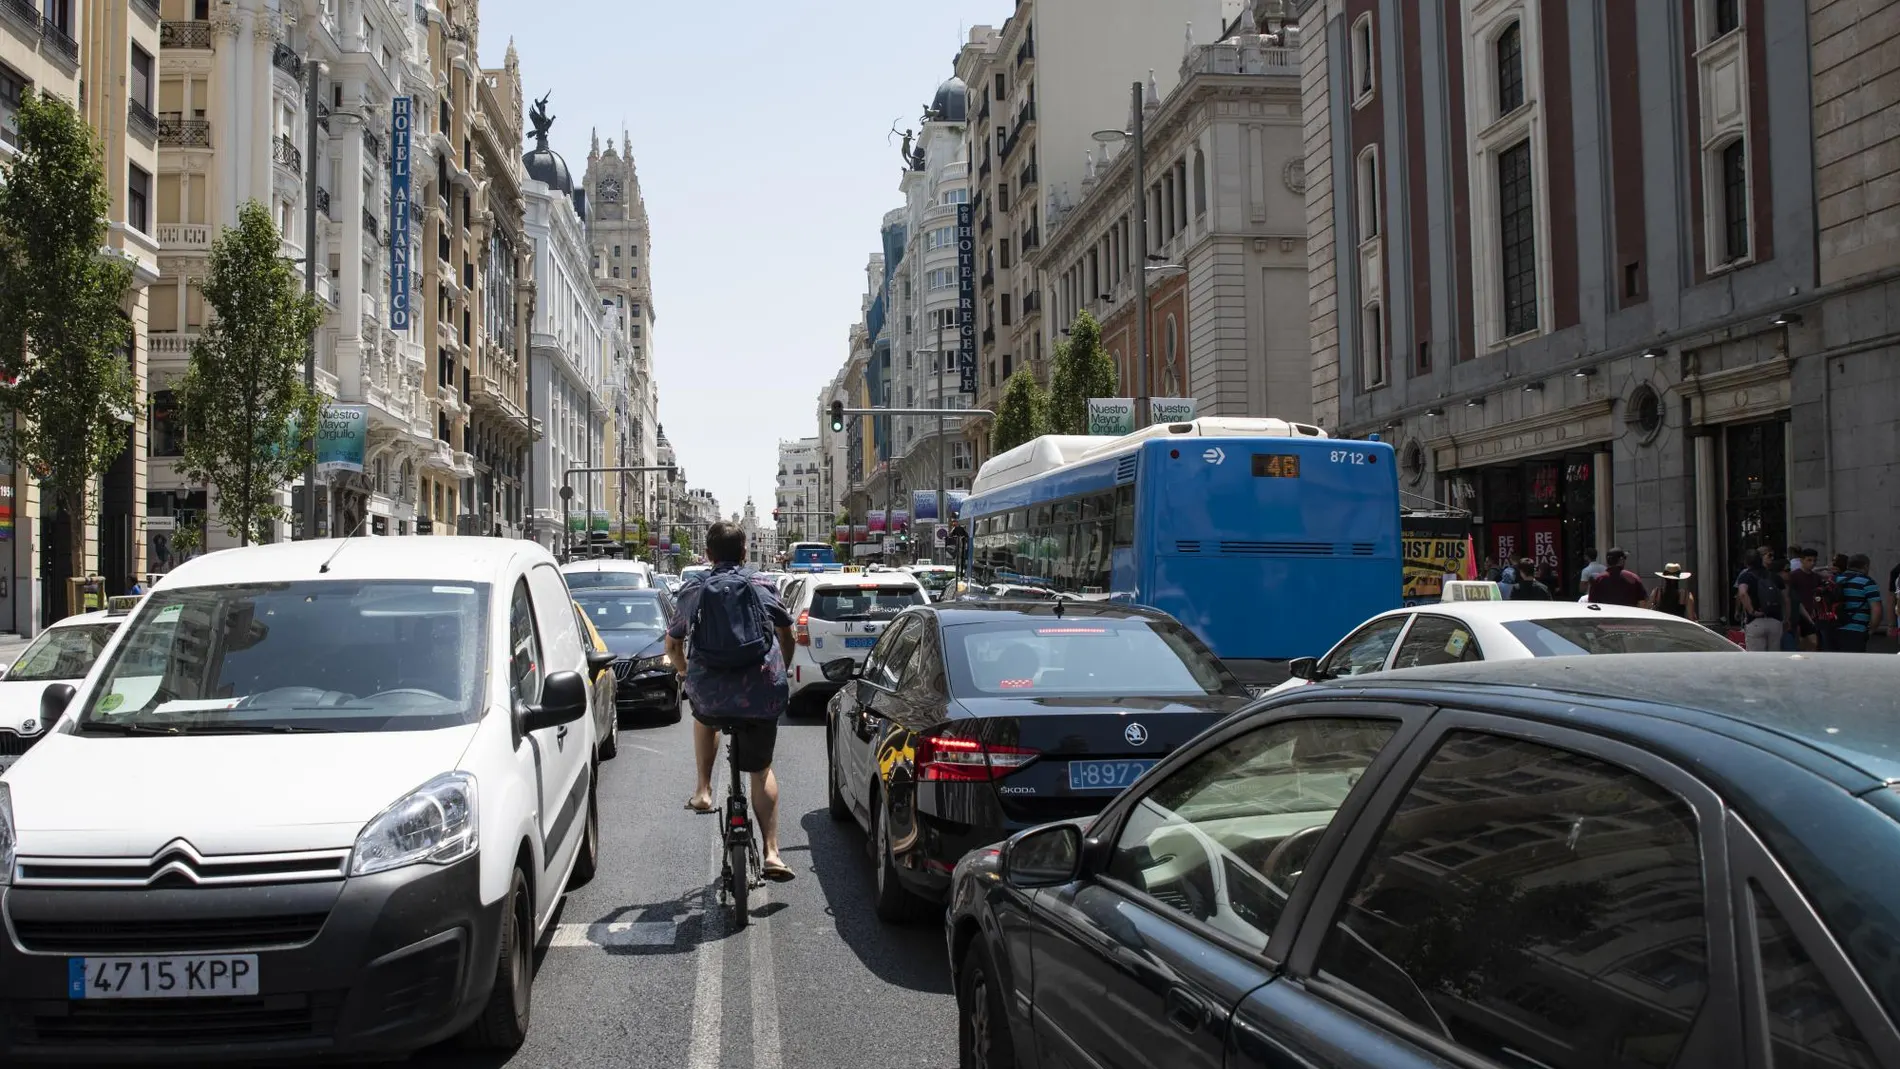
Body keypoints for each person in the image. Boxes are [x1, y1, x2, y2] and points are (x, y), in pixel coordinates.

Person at [667, 521, 799, 882]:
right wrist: (780, 671)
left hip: (709, 691)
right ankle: (772, 853)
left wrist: (685, 675)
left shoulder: (693, 589)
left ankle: (703, 790)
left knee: (703, 714)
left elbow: (673, 646)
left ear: (708, 555)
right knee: (761, 770)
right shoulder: (761, 584)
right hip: (760, 691)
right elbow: (788, 635)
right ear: (744, 552)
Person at [1832, 554, 1886, 653]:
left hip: (1831, 630)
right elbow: (1877, 610)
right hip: (1856, 631)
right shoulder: (1867, 582)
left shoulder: (1833, 580)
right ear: (1865, 566)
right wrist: (1871, 629)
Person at [1734, 548, 1785, 651]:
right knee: (1774, 657)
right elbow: (1785, 598)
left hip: (1755, 621)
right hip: (1775, 621)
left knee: (1756, 659)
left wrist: (1751, 611)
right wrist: (1785, 617)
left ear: (1746, 562)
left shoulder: (1745, 576)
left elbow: (1742, 593)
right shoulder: (1775, 577)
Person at [1784, 546, 1825, 651]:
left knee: (1813, 642)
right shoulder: (1793, 576)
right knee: (1802, 642)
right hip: (1798, 613)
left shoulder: (1816, 577)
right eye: (1809, 560)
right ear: (1802, 560)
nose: (1812, 563)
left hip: (1814, 613)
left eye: (1814, 560)